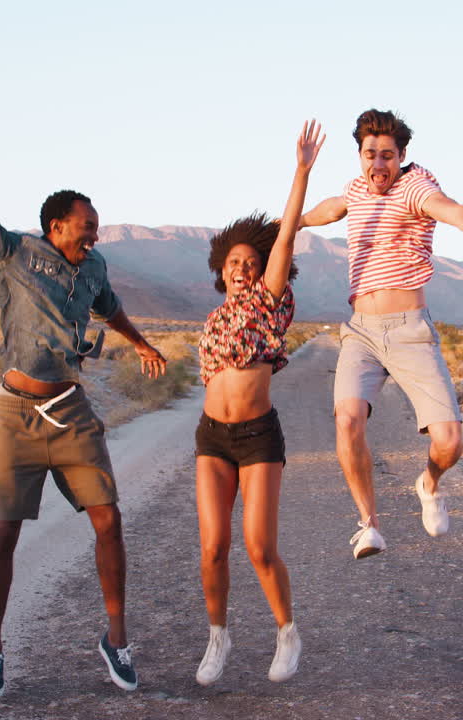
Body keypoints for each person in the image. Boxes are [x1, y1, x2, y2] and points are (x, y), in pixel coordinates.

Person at [0, 70, 167, 701]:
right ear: (56, 225)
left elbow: (109, 307)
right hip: (15, 418)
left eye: (95, 225)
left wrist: (141, 342)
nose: (94, 232)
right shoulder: (14, 253)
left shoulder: (93, 266)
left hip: (72, 414)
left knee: (108, 519)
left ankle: (116, 639)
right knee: (4, 534)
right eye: (86, 225)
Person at [299, 109, 463, 557]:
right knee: (347, 419)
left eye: (387, 156)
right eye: (370, 154)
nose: (378, 164)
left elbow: (454, 212)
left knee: (449, 443)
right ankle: (368, 525)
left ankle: (429, 483)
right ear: (360, 155)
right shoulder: (355, 190)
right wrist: (291, 222)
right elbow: (330, 208)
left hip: (409, 330)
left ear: (402, 155)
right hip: (361, 332)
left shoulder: (414, 188)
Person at [191, 121, 324, 686]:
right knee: (212, 548)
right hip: (211, 436)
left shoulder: (270, 302)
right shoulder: (212, 319)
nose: (242, 268)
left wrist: (301, 172)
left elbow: (286, 236)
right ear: (221, 270)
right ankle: (217, 637)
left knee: (259, 547)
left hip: (257, 437)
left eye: (251, 261)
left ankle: (287, 631)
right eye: (234, 262)